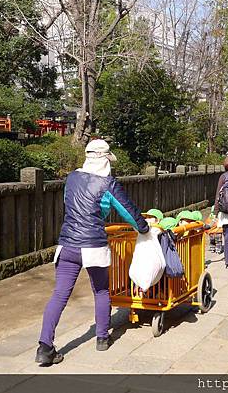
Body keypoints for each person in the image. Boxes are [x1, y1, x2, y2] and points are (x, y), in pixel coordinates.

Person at [36, 139, 149, 366]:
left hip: (67, 244)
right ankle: (102, 338)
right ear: (105, 160)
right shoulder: (108, 183)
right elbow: (127, 211)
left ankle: (44, 347)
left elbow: (71, 205)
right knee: (100, 291)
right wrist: (145, 228)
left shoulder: (71, 178)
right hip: (94, 245)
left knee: (59, 294)